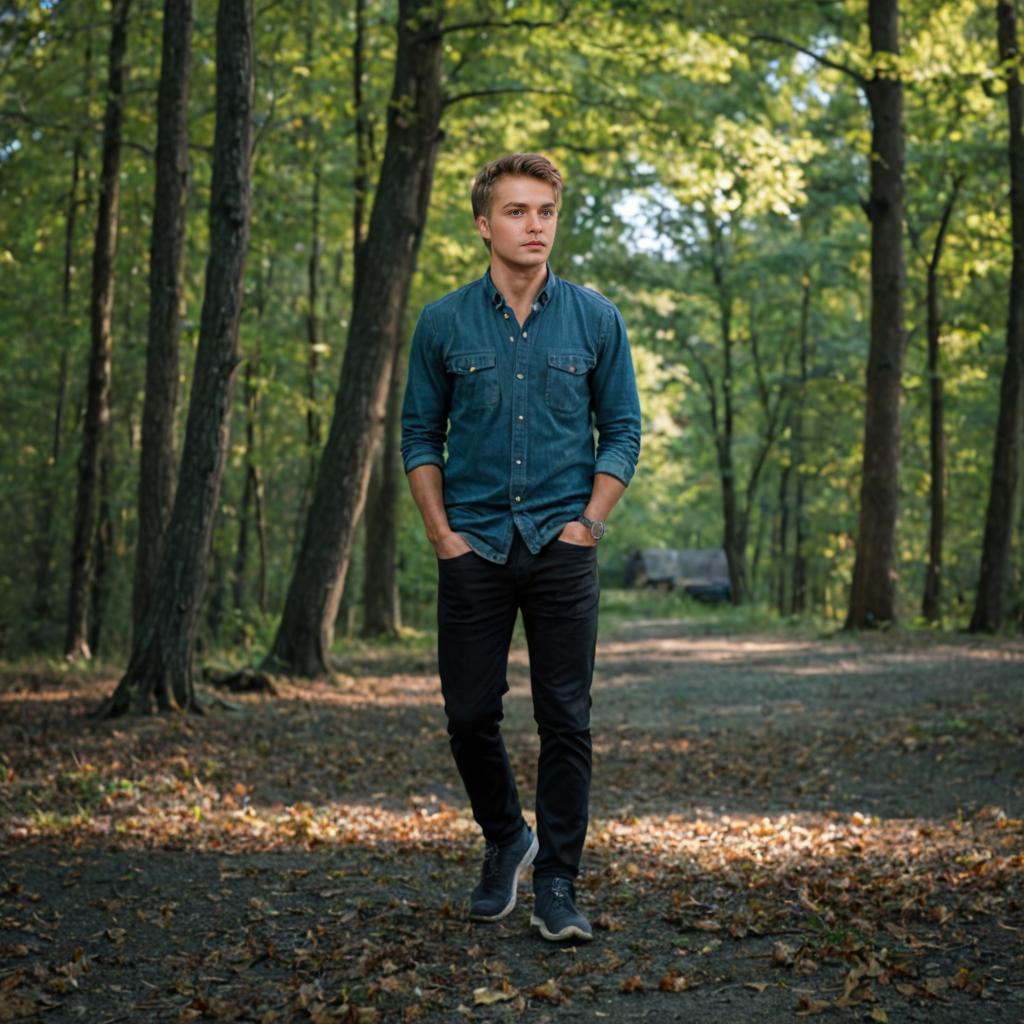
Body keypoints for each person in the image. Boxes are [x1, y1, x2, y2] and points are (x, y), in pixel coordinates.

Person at [400, 152, 641, 942]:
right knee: (469, 715)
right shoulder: (442, 323)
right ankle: (508, 837)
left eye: (544, 211)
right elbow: (418, 434)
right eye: (516, 211)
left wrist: (590, 523)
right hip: (473, 544)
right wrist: (442, 536)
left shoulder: (596, 319)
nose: (533, 225)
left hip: (562, 545)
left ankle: (558, 882)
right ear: (483, 224)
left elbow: (623, 431)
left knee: (566, 720)